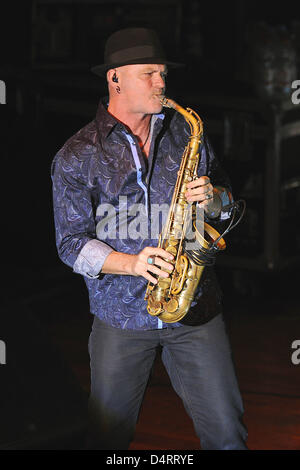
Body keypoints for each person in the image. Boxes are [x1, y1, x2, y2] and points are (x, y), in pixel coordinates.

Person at [51, 27, 248, 450]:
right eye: (149, 73)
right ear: (114, 78)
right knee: (107, 441)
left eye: (162, 73)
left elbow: (230, 207)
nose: (161, 83)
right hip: (121, 317)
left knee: (228, 437)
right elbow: (70, 244)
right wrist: (132, 262)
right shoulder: (76, 155)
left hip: (195, 309)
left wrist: (214, 198)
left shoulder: (185, 132)